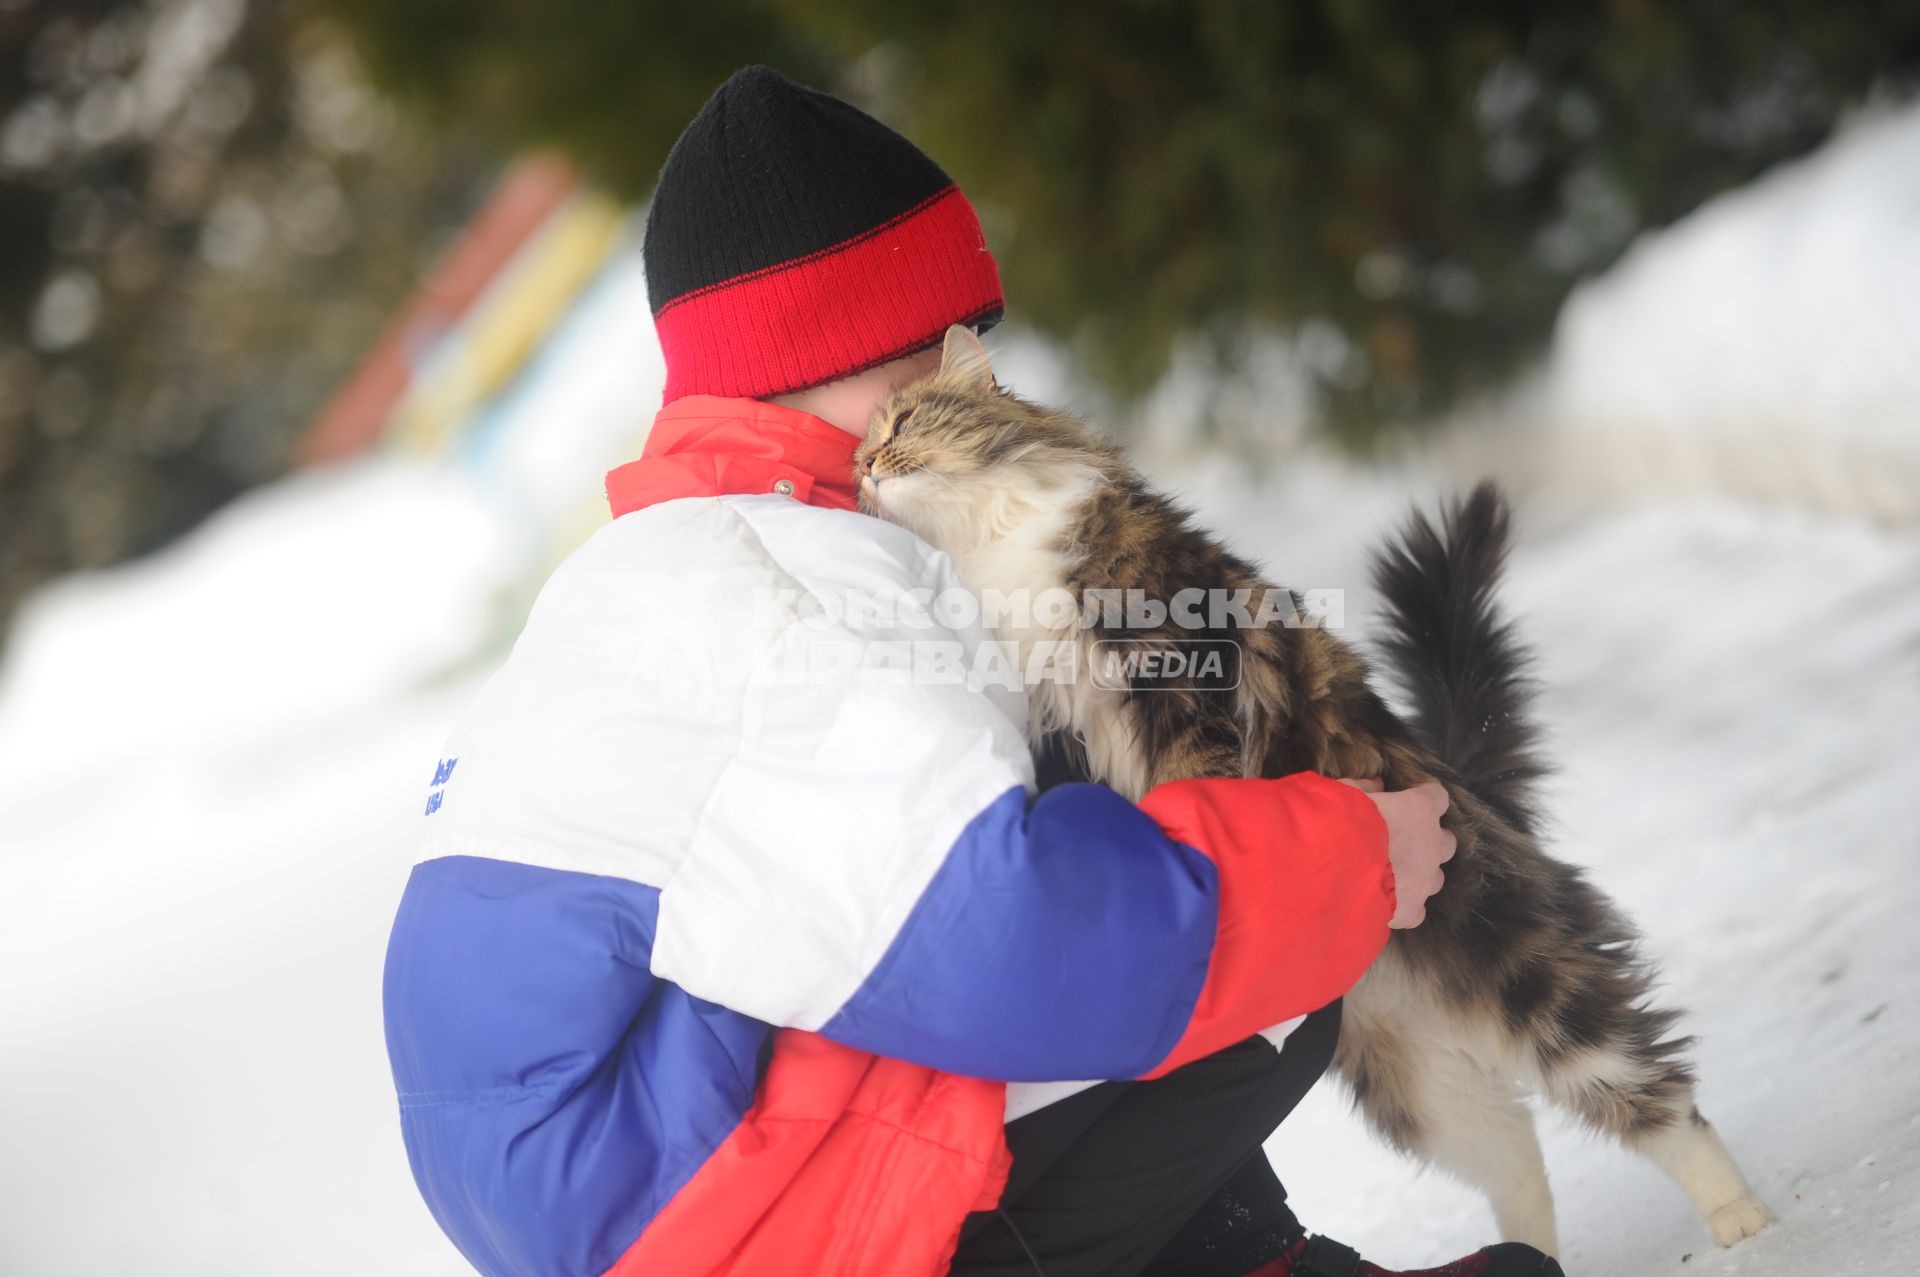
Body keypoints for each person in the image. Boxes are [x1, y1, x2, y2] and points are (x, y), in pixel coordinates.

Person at [381, 66, 1563, 1277]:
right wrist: (1346, 851)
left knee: (1100, 802)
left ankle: (1247, 1253)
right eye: (941, 343)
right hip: (711, 1229)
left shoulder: (674, 553)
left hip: (652, 1192)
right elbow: (1013, 944)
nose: (974, 370)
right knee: (1235, 891)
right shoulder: (791, 586)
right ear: (848, 352)